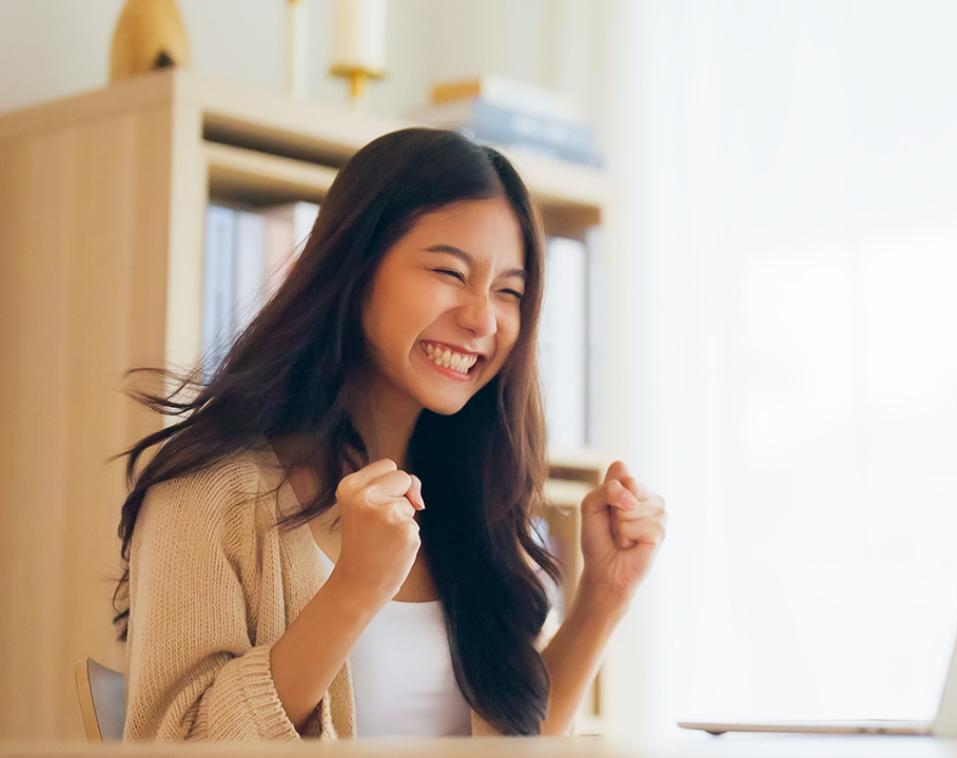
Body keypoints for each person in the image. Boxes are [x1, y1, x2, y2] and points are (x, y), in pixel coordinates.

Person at [111, 128, 668, 741]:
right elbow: (179, 745)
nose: (483, 318)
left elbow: (518, 744)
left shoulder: (473, 504)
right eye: (450, 272)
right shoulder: (204, 493)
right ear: (356, 266)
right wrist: (353, 589)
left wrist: (602, 598)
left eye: (509, 291)